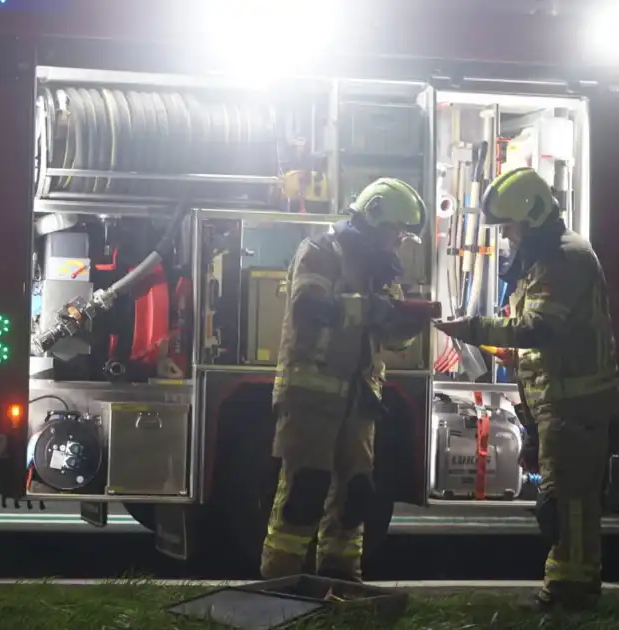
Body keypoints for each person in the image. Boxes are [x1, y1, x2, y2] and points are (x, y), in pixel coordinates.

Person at [435, 166, 619, 611]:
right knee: (562, 504)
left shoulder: (567, 257)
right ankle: (567, 594)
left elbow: (537, 326)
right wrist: (513, 358)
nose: (509, 236)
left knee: (568, 509)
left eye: (511, 226)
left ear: (531, 215)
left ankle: (569, 598)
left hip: (574, 405)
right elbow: (549, 339)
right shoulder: (546, 257)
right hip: (557, 402)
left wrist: (472, 328)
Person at [263, 178, 432, 582]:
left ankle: (340, 581)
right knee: (305, 490)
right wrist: (371, 310)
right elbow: (310, 304)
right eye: (397, 231)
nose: (399, 241)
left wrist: (405, 324)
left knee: (355, 495)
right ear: (373, 217)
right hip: (311, 396)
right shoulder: (321, 251)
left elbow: (386, 336)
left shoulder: (380, 269)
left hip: (359, 401)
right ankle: (281, 584)